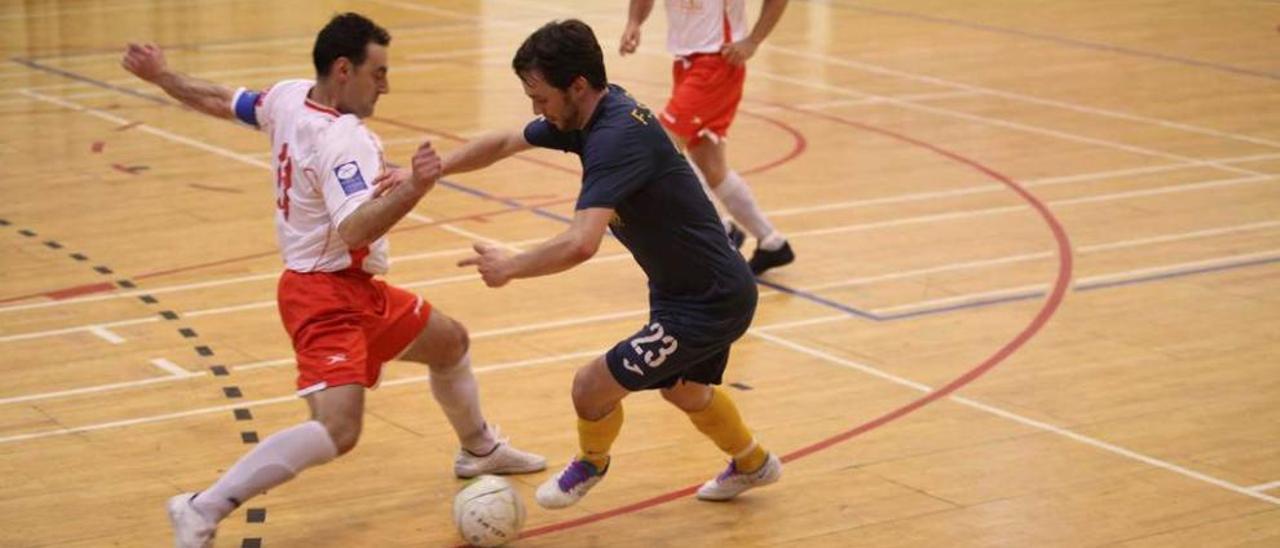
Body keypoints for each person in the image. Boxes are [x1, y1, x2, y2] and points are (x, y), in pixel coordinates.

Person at [121, 13, 545, 547]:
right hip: (325, 296)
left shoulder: (288, 97)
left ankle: (479, 449)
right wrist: (417, 185)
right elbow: (354, 226)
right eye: (379, 73)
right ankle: (201, 508)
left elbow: (220, 99)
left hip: (355, 290)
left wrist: (162, 76)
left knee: (450, 342)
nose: (386, 85)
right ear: (344, 69)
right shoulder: (347, 139)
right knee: (338, 430)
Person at [449, 19, 782, 510]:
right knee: (684, 391)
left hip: (711, 299)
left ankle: (592, 462)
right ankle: (754, 463)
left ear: (577, 86)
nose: (537, 110)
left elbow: (583, 243)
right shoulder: (587, 117)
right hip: (684, 290)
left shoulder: (614, 139)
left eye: (541, 98)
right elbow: (503, 142)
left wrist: (512, 265)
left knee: (590, 387)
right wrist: (431, 171)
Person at [619, 0, 795, 275]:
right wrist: (634, 22)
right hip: (686, 63)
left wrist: (753, 40)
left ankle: (719, 229)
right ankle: (772, 242)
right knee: (710, 164)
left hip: (718, 62)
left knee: (662, 145)